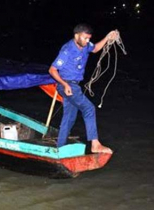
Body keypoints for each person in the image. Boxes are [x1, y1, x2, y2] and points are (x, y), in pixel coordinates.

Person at [48, 23, 118, 154]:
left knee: (69, 117)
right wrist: (65, 85)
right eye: (85, 38)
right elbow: (52, 70)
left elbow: (96, 48)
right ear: (76, 36)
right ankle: (95, 144)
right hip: (67, 85)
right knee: (89, 108)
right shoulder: (67, 50)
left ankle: (59, 148)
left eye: (89, 38)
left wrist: (108, 37)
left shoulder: (85, 46)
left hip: (74, 85)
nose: (87, 41)